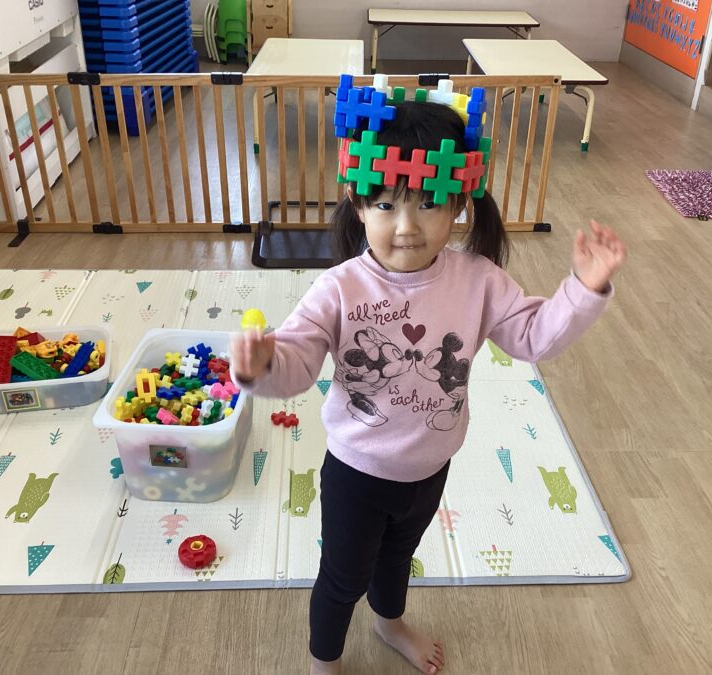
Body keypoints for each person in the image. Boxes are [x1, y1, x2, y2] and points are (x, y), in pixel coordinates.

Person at [231, 84, 627, 675]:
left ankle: (389, 623)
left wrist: (583, 290)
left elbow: (533, 337)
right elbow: (298, 359)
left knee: (398, 561)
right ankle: (324, 661)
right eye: (385, 206)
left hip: (430, 466)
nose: (406, 226)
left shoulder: (478, 280)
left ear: (459, 203)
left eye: (427, 204)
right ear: (358, 204)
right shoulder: (339, 288)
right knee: (342, 578)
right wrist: (261, 366)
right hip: (357, 472)